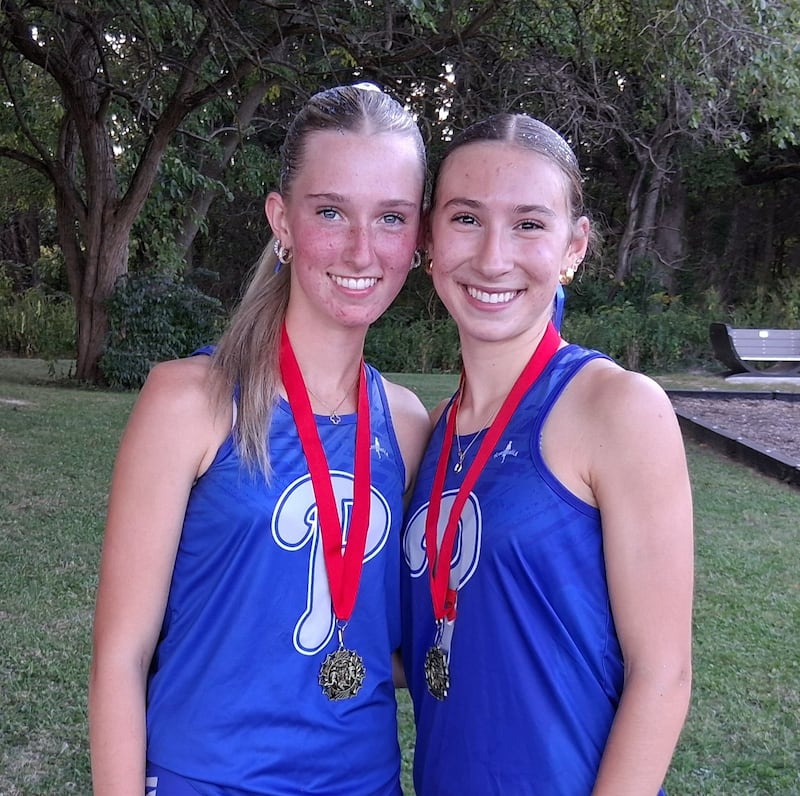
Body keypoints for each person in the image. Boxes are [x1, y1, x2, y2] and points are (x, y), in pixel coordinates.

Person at [89, 83, 431, 796]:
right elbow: (121, 657)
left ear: (417, 237)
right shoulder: (189, 400)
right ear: (282, 219)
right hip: (206, 780)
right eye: (330, 211)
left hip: (362, 783)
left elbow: (390, 635)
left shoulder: (406, 424)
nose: (362, 248)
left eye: (391, 217)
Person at [401, 113, 694, 795]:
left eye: (529, 224)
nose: (493, 257)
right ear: (429, 239)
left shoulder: (618, 408)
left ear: (574, 245)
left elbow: (663, 676)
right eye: (466, 219)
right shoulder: (436, 430)